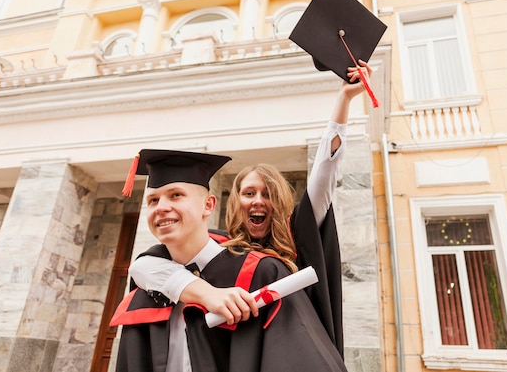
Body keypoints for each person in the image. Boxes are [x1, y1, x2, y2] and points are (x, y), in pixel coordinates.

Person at [128, 60, 372, 357]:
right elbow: (142, 266)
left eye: (267, 194)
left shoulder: (298, 238)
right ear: (234, 202)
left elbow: (324, 177)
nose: (257, 200)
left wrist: (343, 101)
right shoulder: (219, 248)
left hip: (295, 344)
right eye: (248, 193)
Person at [111, 149, 348, 372]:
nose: (162, 207)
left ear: (208, 205)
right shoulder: (148, 288)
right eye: (153, 200)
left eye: (176, 195)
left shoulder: (263, 271)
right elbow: (141, 266)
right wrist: (207, 293)